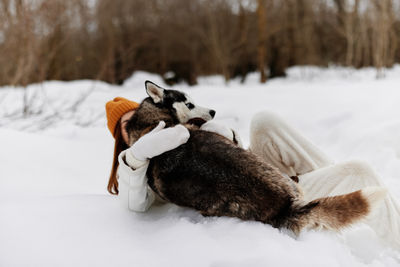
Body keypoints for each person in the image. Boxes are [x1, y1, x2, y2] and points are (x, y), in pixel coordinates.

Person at [105, 97, 400, 251]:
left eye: (140, 115)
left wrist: (225, 136)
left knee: (264, 121)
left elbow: (236, 160)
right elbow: (136, 204)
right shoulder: (134, 164)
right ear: (122, 137)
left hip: (259, 178)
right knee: (361, 171)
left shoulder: (176, 132)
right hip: (259, 199)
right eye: (128, 124)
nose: (140, 125)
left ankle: (328, 182)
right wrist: (136, 157)